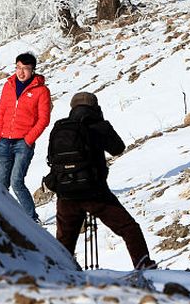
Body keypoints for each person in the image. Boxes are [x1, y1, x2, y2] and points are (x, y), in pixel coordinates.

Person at [44, 90, 156, 270]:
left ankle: (58, 275)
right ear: (95, 107)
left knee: (64, 241)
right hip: (95, 193)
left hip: (66, 194)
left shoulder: (61, 127)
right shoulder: (98, 126)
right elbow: (118, 148)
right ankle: (144, 265)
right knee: (128, 228)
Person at [0, 51, 52, 221]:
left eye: (25, 68)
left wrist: (28, 139)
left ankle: (31, 218)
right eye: (18, 67)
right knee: (0, 184)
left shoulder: (41, 91)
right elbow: (2, 111)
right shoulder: (9, 85)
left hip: (23, 143)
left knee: (16, 181)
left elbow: (44, 119)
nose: (20, 72)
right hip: (5, 140)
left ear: (32, 70)